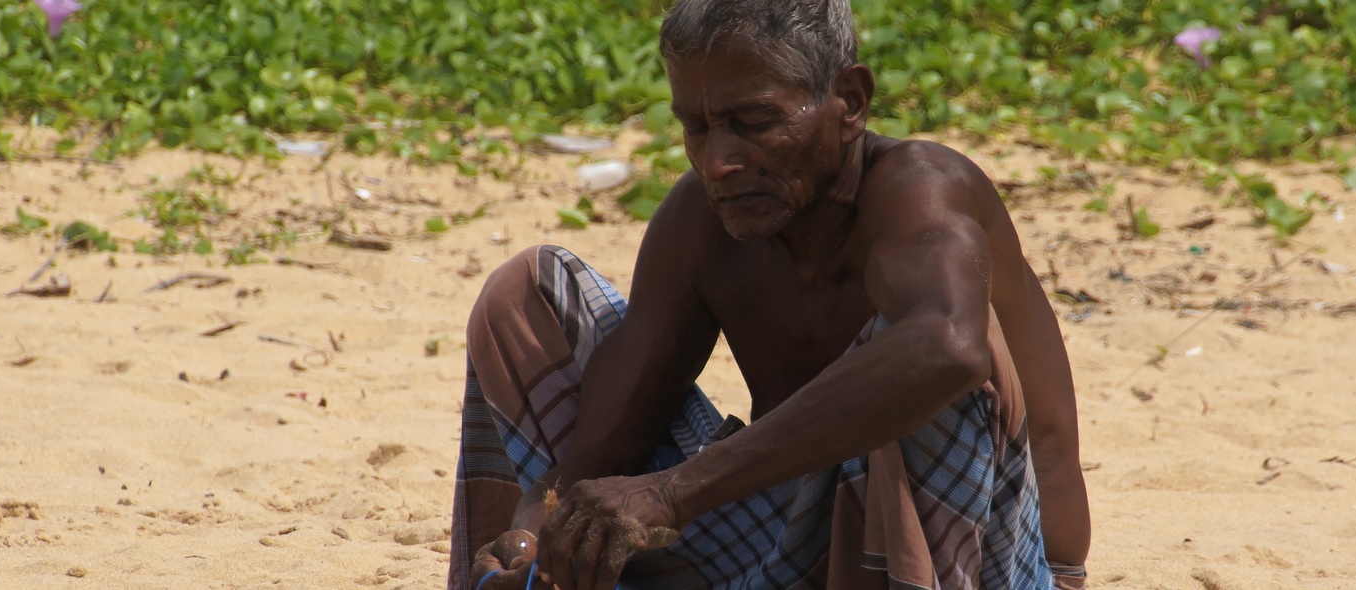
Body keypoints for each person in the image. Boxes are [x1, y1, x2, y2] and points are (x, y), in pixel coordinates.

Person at [449, 0, 1089, 588]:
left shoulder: (920, 188)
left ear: (850, 101)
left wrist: (673, 493)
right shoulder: (699, 224)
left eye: (753, 122)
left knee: (920, 349)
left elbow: (948, 348)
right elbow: (597, 450)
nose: (719, 160)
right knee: (526, 294)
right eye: (697, 129)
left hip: (995, 563)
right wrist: (535, 530)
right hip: (795, 549)